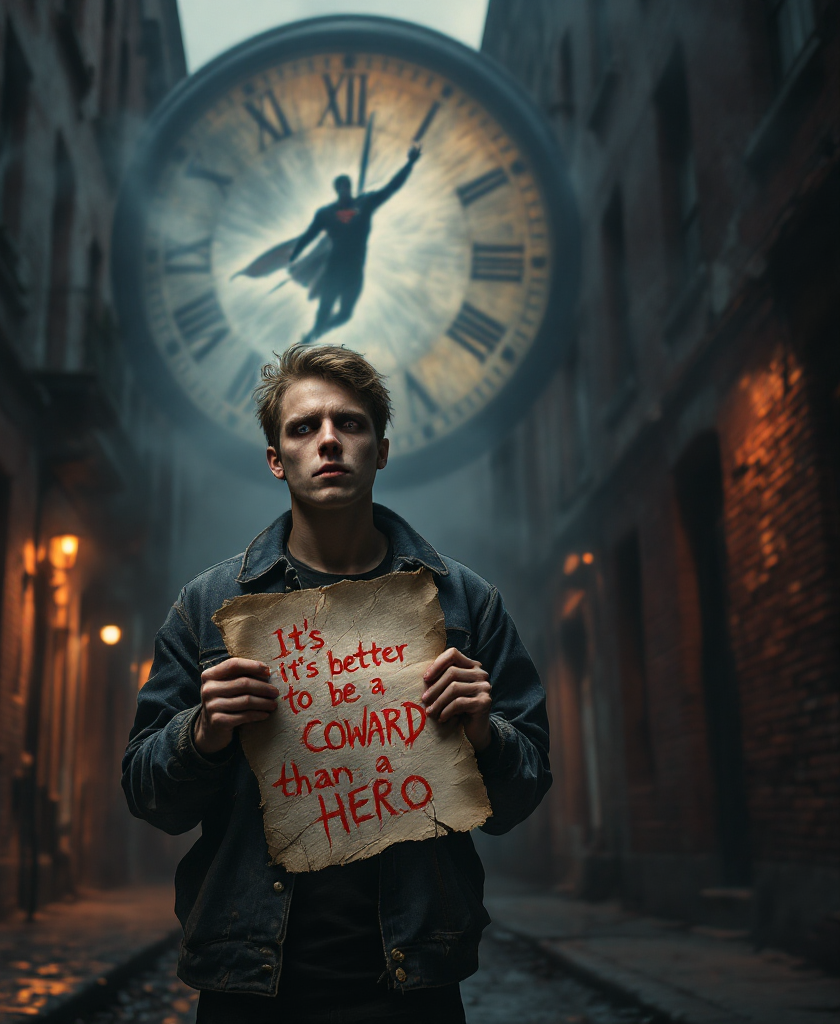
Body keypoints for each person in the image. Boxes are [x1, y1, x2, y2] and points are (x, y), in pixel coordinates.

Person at [122, 345, 551, 1024]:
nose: (328, 441)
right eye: (303, 427)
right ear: (275, 458)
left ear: (380, 450)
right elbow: (149, 797)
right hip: (250, 982)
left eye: (349, 424)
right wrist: (200, 735)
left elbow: (522, 796)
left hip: (413, 982)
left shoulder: (466, 604)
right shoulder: (209, 609)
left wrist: (483, 733)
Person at [291, 145, 421, 343]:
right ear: (337, 190)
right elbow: (309, 235)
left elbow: (391, 188)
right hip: (335, 268)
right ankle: (313, 334)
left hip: (354, 269)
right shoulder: (326, 213)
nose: (344, 189)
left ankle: (316, 333)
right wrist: (295, 254)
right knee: (324, 310)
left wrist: (409, 164)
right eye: (341, 186)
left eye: (346, 186)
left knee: (345, 314)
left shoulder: (365, 203)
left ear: (349, 188)